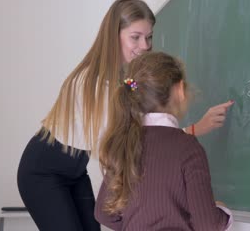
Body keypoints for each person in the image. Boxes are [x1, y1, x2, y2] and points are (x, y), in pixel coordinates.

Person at [17, 0, 233, 231]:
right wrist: (194, 130)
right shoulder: (91, 83)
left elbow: (147, 131)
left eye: (149, 37)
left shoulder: (126, 81)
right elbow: (130, 141)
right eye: (135, 37)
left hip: (75, 173)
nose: (145, 46)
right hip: (43, 172)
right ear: (114, 35)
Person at [95, 51, 232, 231]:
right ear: (180, 90)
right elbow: (207, 225)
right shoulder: (188, 148)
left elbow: (103, 214)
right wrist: (222, 212)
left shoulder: (126, 144)